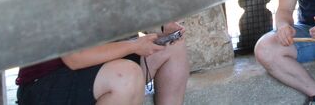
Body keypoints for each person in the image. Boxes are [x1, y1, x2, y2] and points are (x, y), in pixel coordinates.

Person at [15, 22, 189, 105]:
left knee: (173, 47)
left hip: (103, 68)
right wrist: (135, 46)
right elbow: (75, 59)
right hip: (45, 84)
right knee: (125, 75)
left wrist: (163, 27)